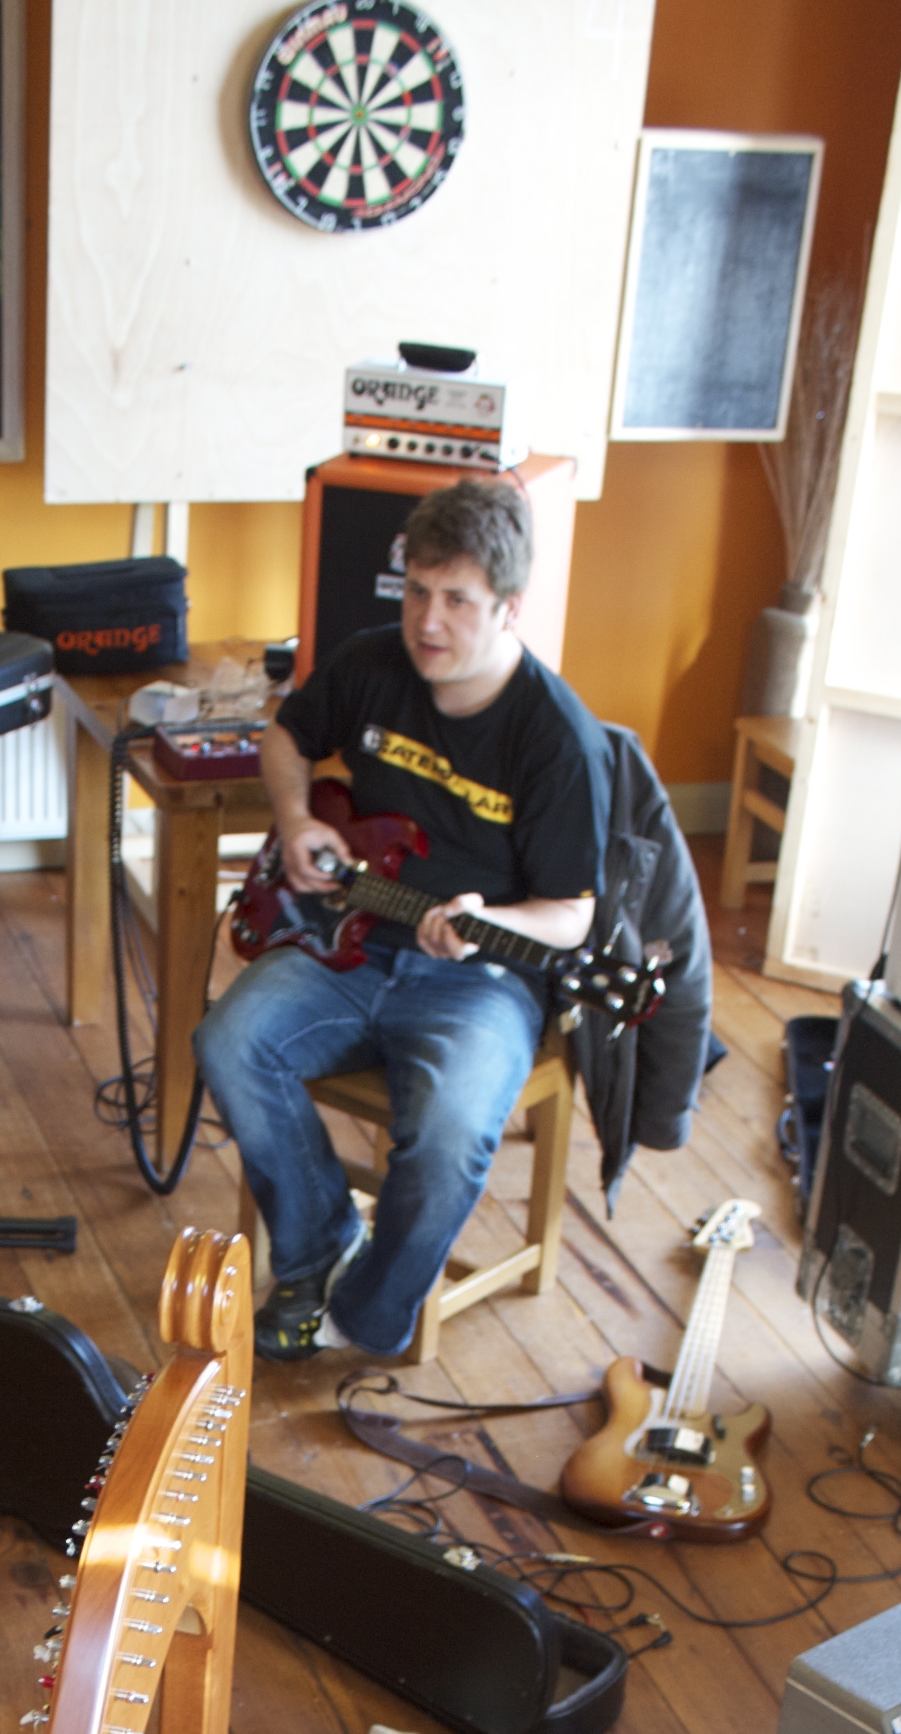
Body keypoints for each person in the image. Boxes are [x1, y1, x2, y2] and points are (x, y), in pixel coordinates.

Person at [194, 476, 611, 1362]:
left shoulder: (557, 739)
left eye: (457, 600)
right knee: (229, 1040)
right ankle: (318, 1251)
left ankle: (363, 1316)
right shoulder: (371, 663)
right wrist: (297, 820)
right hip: (350, 942)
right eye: (418, 591)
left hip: (483, 980)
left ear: (510, 608)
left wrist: (489, 917)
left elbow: (573, 916)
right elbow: (287, 737)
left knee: (449, 1131)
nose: (427, 621)